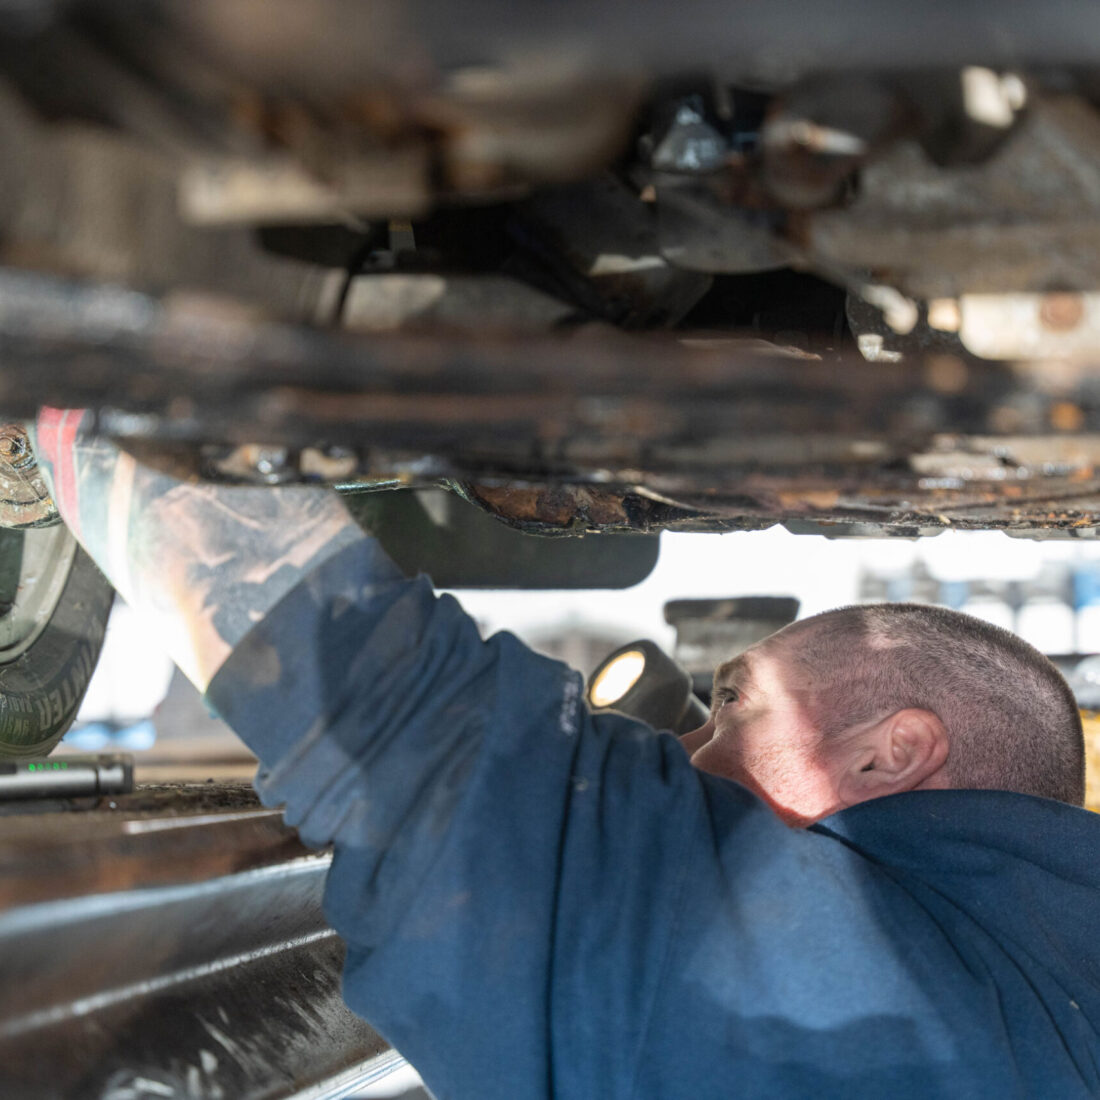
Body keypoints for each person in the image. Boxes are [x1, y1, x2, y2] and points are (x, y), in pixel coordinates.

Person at [25, 408, 1100, 1098]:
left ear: (886, 755)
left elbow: (421, 747)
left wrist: (83, 393)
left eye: (733, 705)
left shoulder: (897, 1024)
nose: (686, 746)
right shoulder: (1033, 992)